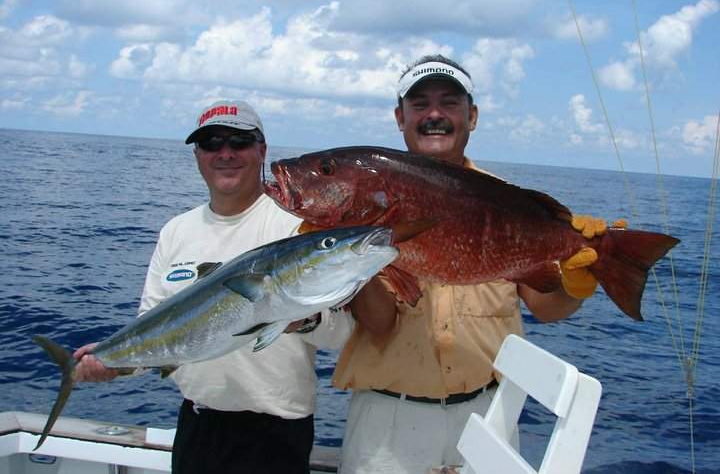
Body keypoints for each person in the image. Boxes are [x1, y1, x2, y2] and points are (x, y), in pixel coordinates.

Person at [333, 55, 605, 474]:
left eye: (450, 103)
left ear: (471, 116)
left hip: (486, 417)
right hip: (386, 427)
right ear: (400, 118)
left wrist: (577, 280)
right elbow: (379, 323)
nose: (435, 115)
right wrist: (355, 254)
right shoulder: (370, 204)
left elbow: (548, 308)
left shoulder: (508, 200)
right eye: (420, 104)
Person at [72, 100, 354, 474]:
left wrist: (301, 321)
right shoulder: (177, 231)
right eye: (211, 143)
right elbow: (153, 328)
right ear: (197, 155)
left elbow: (342, 334)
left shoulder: (299, 229)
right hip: (197, 427)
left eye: (239, 142)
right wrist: (112, 364)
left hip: (278, 434)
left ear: (262, 151)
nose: (225, 153)